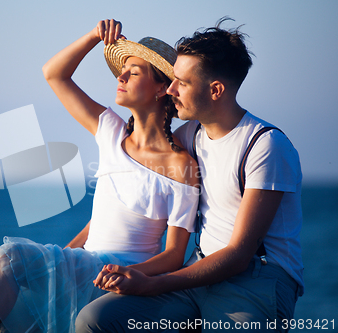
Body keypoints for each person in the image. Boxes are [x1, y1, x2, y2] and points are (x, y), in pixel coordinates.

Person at [0, 19, 199, 333]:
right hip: (87, 266)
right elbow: (54, 73)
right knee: (12, 265)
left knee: (10, 258)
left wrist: (128, 273)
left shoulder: (181, 165)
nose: (120, 77)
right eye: (122, 70)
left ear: (162, 88)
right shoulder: (110, 131)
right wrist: (95, 36)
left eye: (133, 73)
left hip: (123, 276)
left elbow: (175, 253)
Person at [76, 17, 304, 333]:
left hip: (256, 279)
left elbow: (239, 255)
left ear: (216, 90)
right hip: (197, 270)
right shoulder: (189, 136)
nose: (171, 89)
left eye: (182, 82)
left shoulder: (265, 145)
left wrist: (152, 284)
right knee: (95, 320)